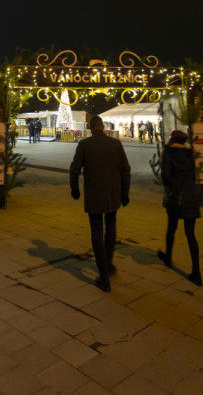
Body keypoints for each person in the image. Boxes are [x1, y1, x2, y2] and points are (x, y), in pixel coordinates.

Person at [70, 115, 131, 292]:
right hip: (113, 194)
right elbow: (125, 170)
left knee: (96, 231)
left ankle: (103, 276)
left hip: (94, 194)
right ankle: (109, 263)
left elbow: (74, 170)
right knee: (111, 225)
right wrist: (125, 193)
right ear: (103, 126)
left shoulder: (84, 145)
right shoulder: (116, 144)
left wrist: (74, 189)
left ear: (90, 127)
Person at [158, 129, 202, 286]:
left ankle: (168, 257)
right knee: (191, 234)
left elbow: (166, 177)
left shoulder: (168, 154)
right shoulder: (190, 155)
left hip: (176, 197)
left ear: (172, 140)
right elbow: (193, 177)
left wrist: (171, 190)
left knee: (171, 228)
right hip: (190, 196)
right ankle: (196, 272)